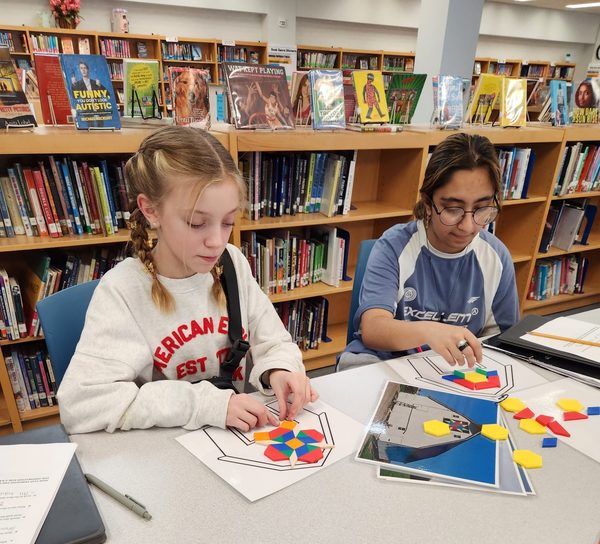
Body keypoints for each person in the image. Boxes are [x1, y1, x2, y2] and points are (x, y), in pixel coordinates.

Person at [58, 127, 317, 433]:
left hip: (228, 442)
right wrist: (203, 404)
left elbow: (273, 340)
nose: (217, 241)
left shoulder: (231, 263)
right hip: (162, 452)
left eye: (228, 222)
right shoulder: (122, 291)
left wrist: (281, 368)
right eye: (197, 223)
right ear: (151, 211)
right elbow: (79, 404)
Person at [339, 132, 519, 372]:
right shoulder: (394, 246)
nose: (467, 226)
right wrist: (429, 331)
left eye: (481, 208)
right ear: (427, 203)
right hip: (386, 363)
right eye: (452, 209)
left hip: (452, 371)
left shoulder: (495, 256)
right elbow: (373, 329)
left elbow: (505, 342)